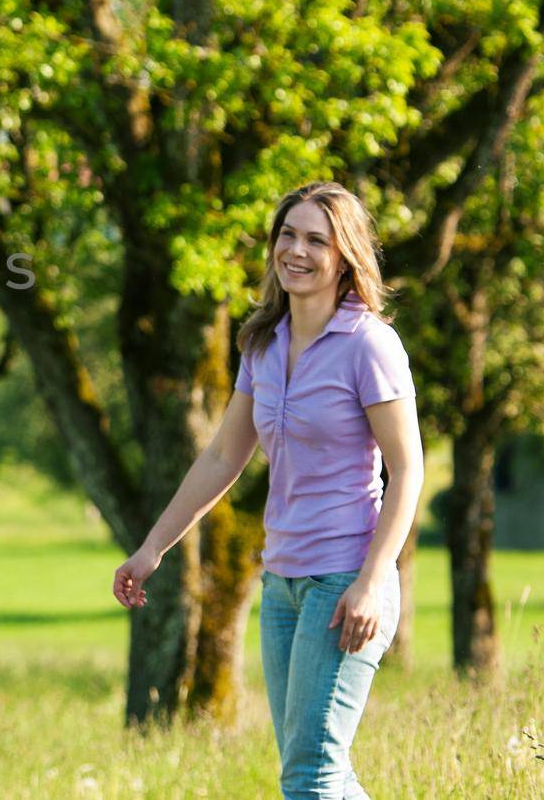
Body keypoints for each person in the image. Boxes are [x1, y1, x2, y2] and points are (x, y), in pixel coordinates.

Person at [112, 182, 424, 800]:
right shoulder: (264, 341)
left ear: (346, 256)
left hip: (346, 581)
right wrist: (153, 548)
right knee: (319, 768)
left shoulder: (369, 345)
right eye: (288, 235)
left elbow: (407, 471)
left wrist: (371, 581)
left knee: (310, 775)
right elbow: (226, 454)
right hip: (281, 582)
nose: (297, 251)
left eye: (317, 239)